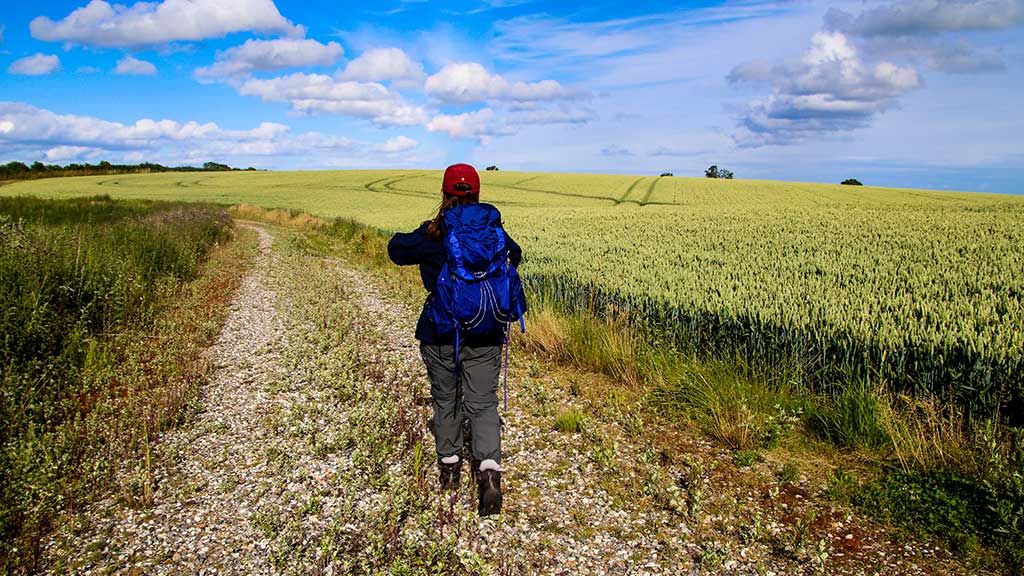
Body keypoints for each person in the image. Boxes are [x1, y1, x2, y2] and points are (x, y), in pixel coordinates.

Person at [387, 163, 522, 517]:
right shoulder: (494, 232)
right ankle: (489, 472)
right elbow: (516, 256)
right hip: (486, 333)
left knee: (446, 400)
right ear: (477, 193)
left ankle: (449, 472)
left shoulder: (434, 233)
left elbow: (397, 250)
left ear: (445, 193)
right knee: (483, 402)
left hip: (441, 332)